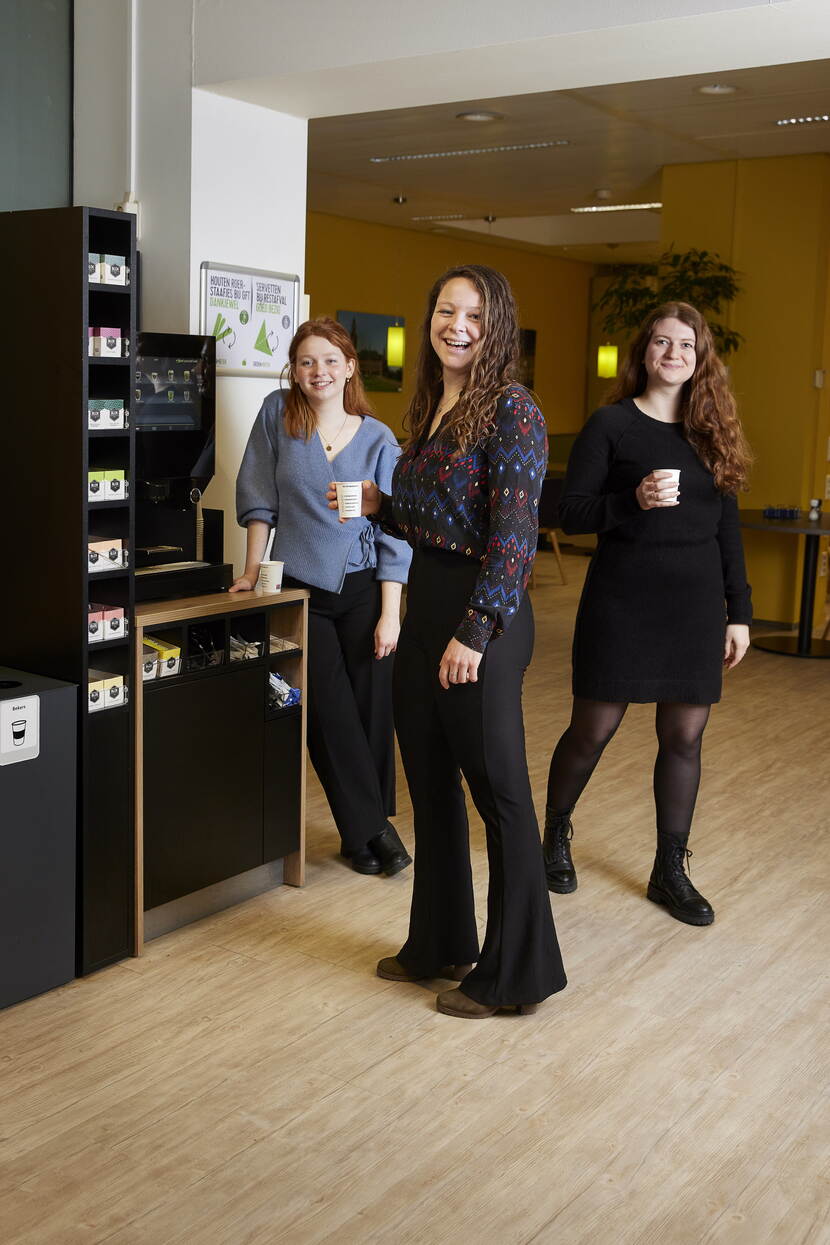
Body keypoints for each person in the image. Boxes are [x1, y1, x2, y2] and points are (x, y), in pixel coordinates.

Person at [330, 265, 567, 1018]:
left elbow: (512, 539)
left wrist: (477, 630)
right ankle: (439, 942)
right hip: (426, 603)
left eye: (472, 314)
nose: (455, 325)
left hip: (480, 618)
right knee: (431, 787)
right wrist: (381, 503)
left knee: (500, 794)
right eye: (443, 310)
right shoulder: (435, 404)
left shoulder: (513, 412)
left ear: (495, 324)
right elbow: (434, 519)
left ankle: (516, 976)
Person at [542, 301, 752, 925]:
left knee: (684, 737)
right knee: (593, 730)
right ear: (644, 353)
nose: (673, 355)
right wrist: (631, 500)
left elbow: (728, 531)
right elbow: (571, 512)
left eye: (685, 346)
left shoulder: (711, 431)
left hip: (693, 608)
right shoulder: (611, 425)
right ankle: (553, 834)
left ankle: (670, 869)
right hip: (621, 601)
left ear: (699, 359)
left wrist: (737, 612)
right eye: (661, 343)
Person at [234, 317, 412, 877]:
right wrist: (251, 570)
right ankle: (377, 832)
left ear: (350, 367)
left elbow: (394, 533)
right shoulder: (276, 416)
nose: (319, 372)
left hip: (364, 589)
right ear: (295, 369)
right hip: (299, 588)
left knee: (370, 716)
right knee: (326, 715)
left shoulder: (380, 437)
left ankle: (362, 837)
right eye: (307, 362)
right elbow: (259, 495)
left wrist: (391, 614)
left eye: (331, 361)